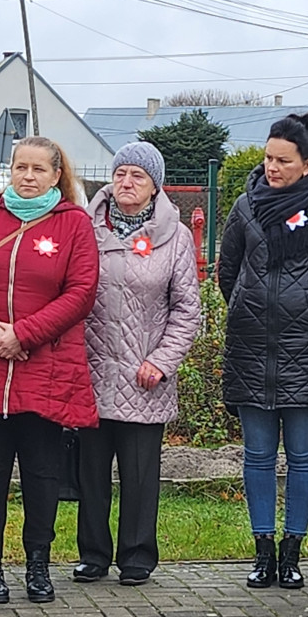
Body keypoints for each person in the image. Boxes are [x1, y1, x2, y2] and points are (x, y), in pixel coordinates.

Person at [0, 135, 99, 605]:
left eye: (38, 169)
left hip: (46, 365)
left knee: (42, 470)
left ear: (56, 176)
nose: (27, 177)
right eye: (20, 167)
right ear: (9, 171)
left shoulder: (74, 225)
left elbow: (81, 291)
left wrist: (24, 334)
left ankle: (38, 564)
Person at [219, 113, 308, 590]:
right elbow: (228, 272)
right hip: (252, 350)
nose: (272, 168)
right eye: (267, 157)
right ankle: (262, 551)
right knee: (257, 455)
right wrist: (247, 310)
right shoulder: (245, 206)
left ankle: (292, 551)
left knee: (303, 455)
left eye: (283, 160)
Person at [77, 142, 201, 587]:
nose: (126, 183)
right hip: (91, 370)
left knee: (140, 473)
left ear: (155, 186)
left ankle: (136, 556)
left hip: (143, 377)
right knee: (90, 472)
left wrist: (162, 361)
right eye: (121, 173)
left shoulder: (176, 237)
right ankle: (92, 554)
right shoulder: (85, 229)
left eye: (138, 176)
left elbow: (187, 310)